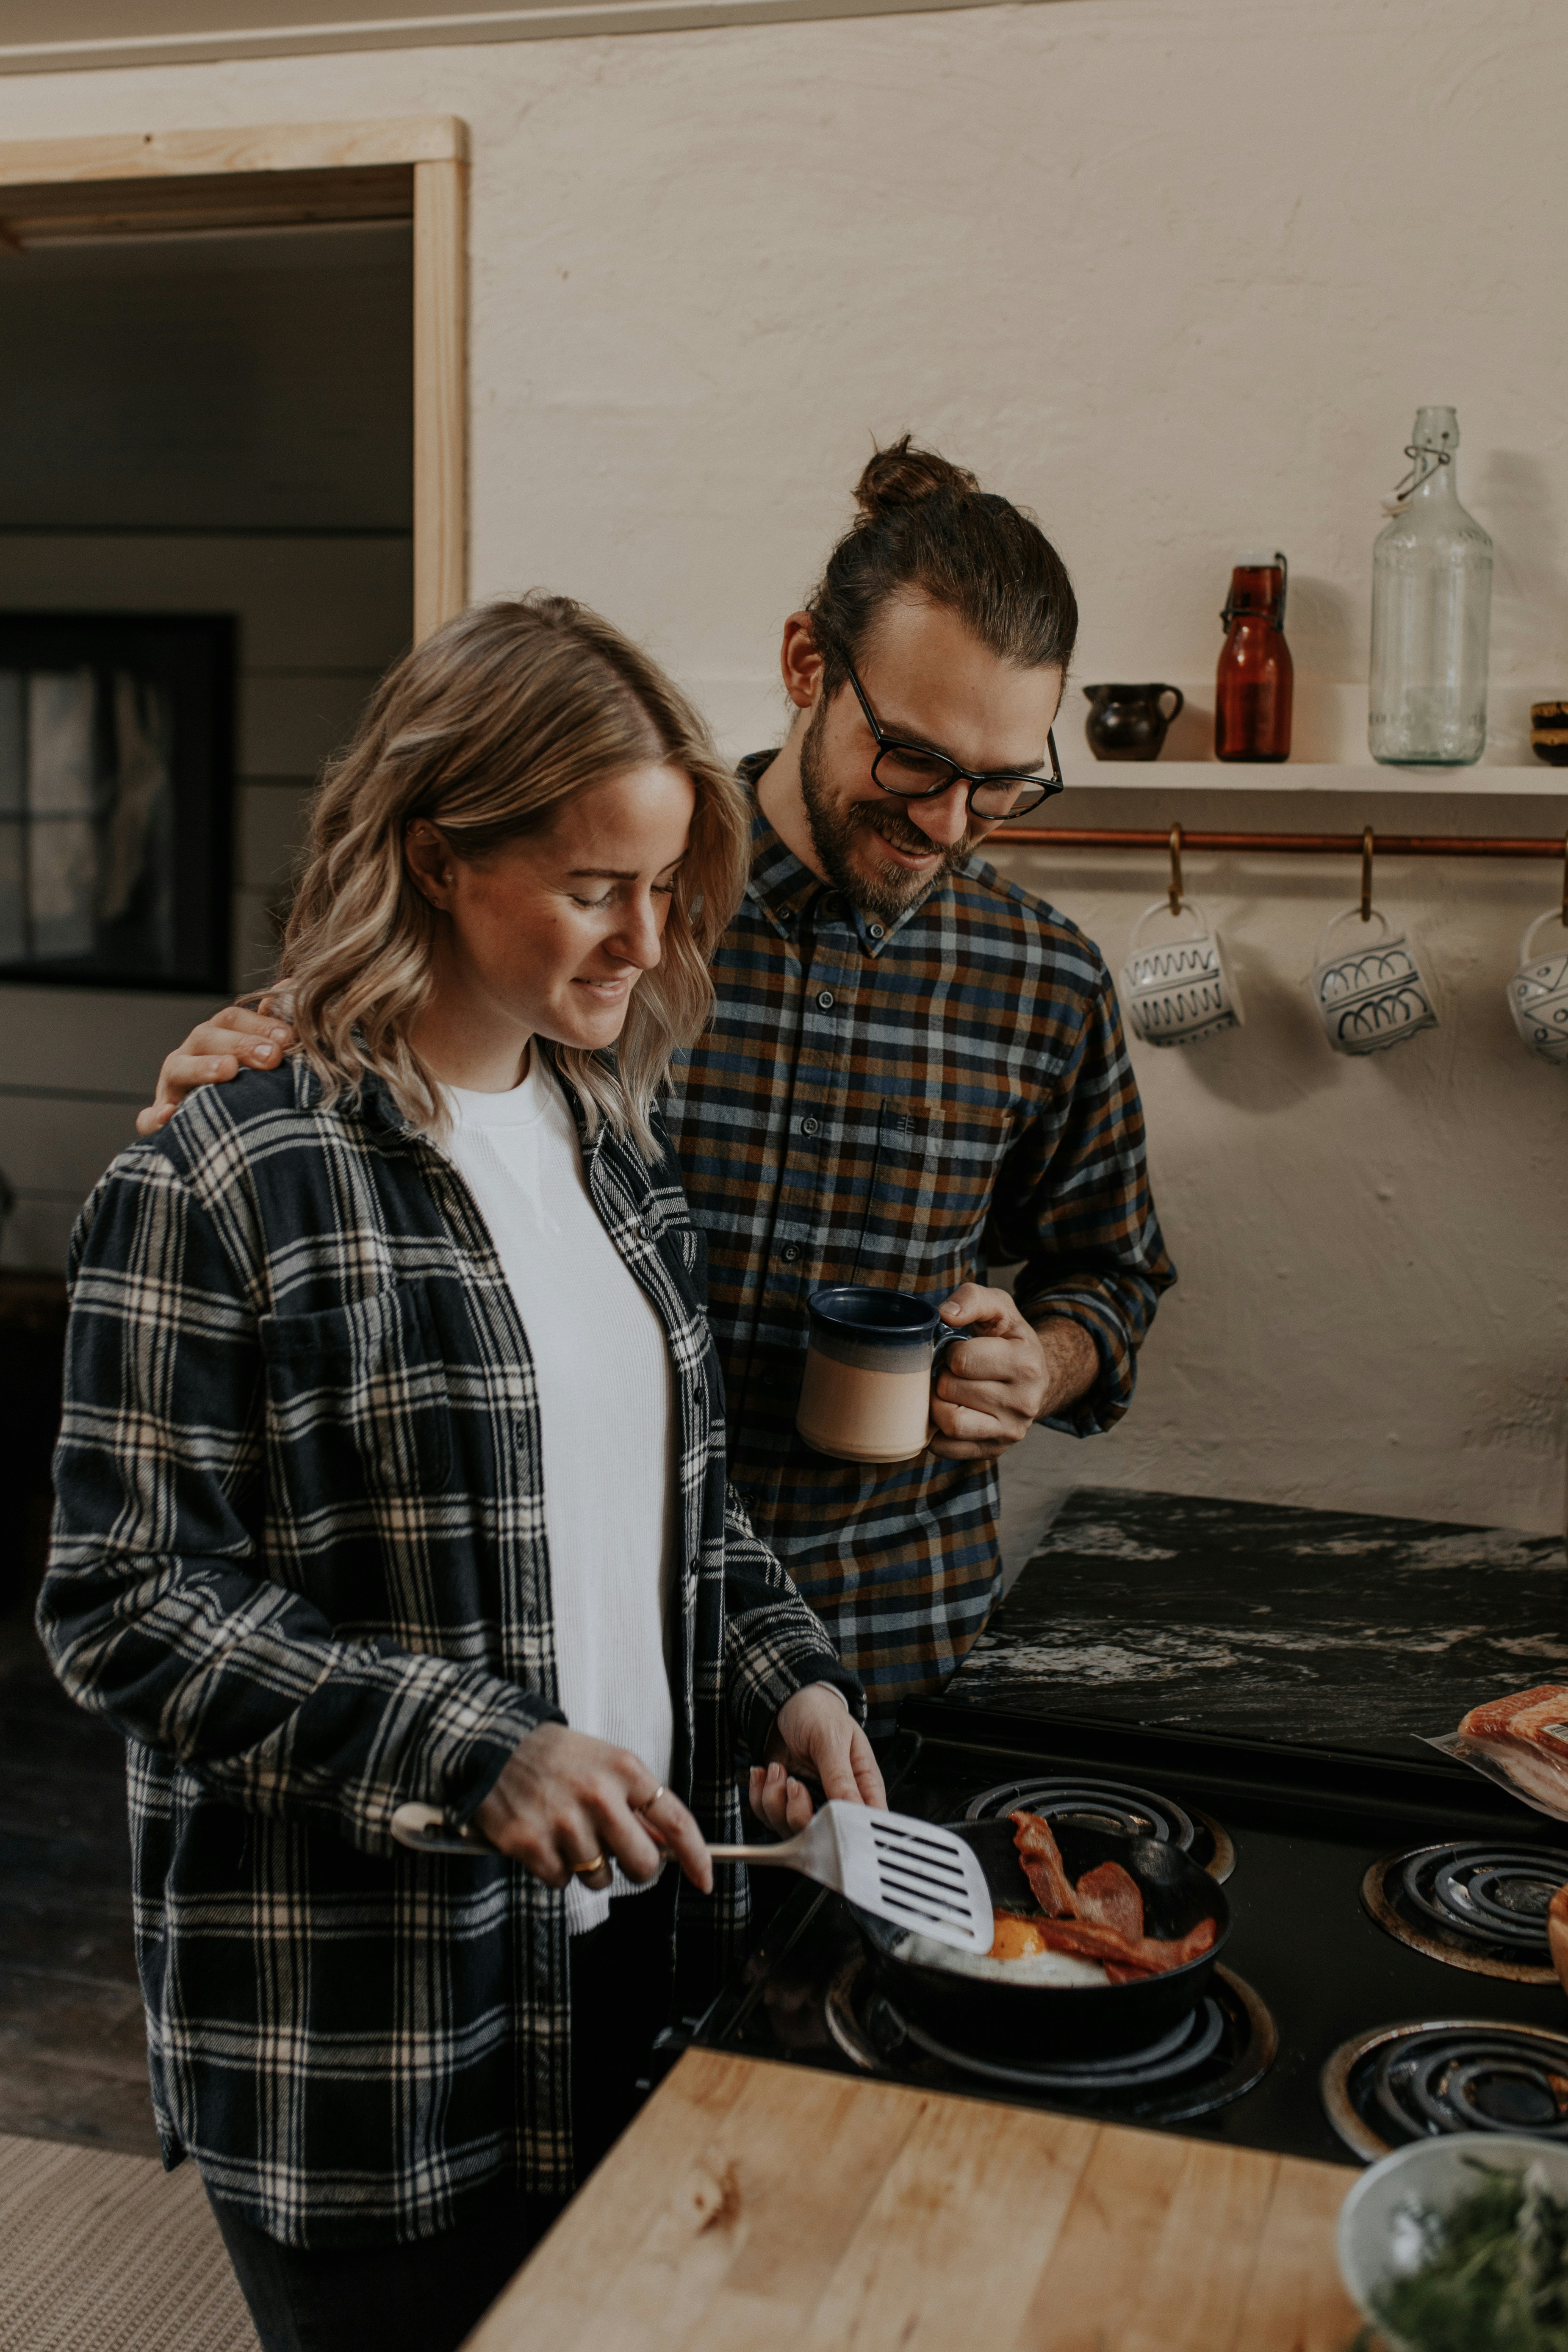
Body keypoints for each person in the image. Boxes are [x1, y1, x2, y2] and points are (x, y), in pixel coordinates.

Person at [39, 595, 882, 2352]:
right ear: (436, 856)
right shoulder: (220, 1176)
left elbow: (683, 1510)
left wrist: (781, 1676)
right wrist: (472, 1745)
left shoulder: (609, 1141)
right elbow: (121, 1608)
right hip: (373, 2033)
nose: (645, 943)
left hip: (639, 1959)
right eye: (596, 887)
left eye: (664, 890)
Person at [139, 441, 1175, 1733]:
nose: (951, 823)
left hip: (885, 1648)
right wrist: (271, 1060)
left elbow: (1115, 1270)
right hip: (558, 1651)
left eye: (1004, 784)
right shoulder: (612, 919)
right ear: (808, 664)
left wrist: (1051, 1360)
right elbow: (400, 1065)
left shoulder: (1046, 980)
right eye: (914, 762)